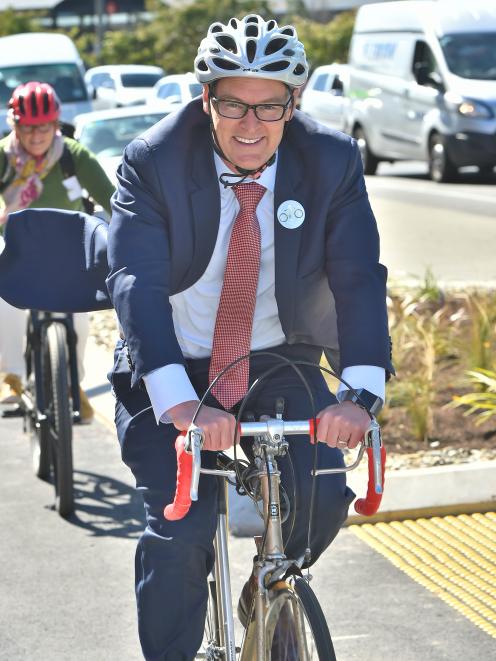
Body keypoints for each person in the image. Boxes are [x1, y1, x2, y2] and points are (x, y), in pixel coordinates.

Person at [107, 14, 393, 661]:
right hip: (173, 362)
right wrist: (181, 402)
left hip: (274, 358)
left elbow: (357, 279)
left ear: (295, 104)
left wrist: (360, 394)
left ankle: (269, 589)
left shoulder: (332, 161)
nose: (250, 123)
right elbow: (135, 284)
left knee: (321, 494)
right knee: (181, 532)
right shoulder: (153, 160)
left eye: (270, 105)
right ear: (206, 98)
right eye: (233, 101)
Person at [0, 81, 115, 420]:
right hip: (15, 247)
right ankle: (12, 377)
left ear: (56, 124)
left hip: (67, 249)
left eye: (45, 127)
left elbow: (113, 200)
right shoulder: (4, 158)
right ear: (15, 125)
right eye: (29, 127)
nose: (37, 136)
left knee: (78, 320)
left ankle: (71, 384)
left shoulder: (73, 156)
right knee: (6, 308)